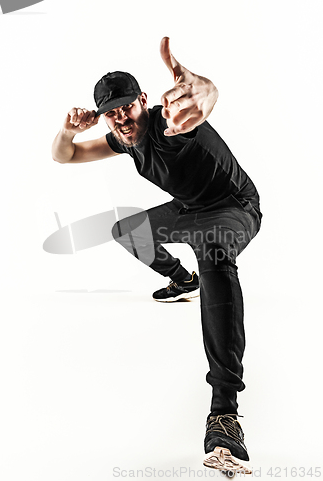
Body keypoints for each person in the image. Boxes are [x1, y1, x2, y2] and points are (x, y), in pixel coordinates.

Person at [52, 37, 262, 475]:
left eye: (127, 108)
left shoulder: (169, 123)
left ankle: (224, 414)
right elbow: (65, 155)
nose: (121, 118)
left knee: (215, 251)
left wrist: (205, 90)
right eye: (111, 113)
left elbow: (199, 105)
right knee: (127, 231)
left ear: (142, 101)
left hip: (233, 208)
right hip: (190, 209)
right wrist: (70, 130)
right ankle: (183, 282)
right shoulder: (120, 138)